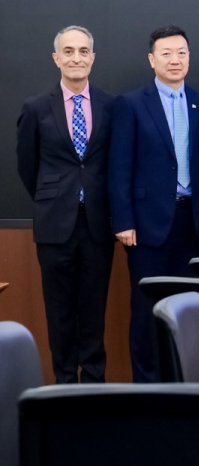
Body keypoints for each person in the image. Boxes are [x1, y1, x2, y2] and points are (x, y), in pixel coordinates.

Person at [109, 25, 199, 382]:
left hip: (191, 222)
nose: (175, 60)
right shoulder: (131, 104)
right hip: (145, 225)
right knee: (146, 310)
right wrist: (123, 220)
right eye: (166, 53)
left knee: (185, 306)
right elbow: (119, 167)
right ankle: (147, 387)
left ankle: (181, 384)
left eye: (181, 53)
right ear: (151, 59)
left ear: (189, 58)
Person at [16, 26, 115, 383]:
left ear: (93, 58)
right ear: (56, 58)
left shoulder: (110, 105)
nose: (76, 58)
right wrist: (55, 199)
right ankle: (65, 385)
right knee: (59, 313)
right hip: (54, 226)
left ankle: (94, 385)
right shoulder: (36, 108)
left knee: (93, 311)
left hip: (98, 225)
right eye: (69, 51)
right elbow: (27, 167)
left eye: (83, 51)